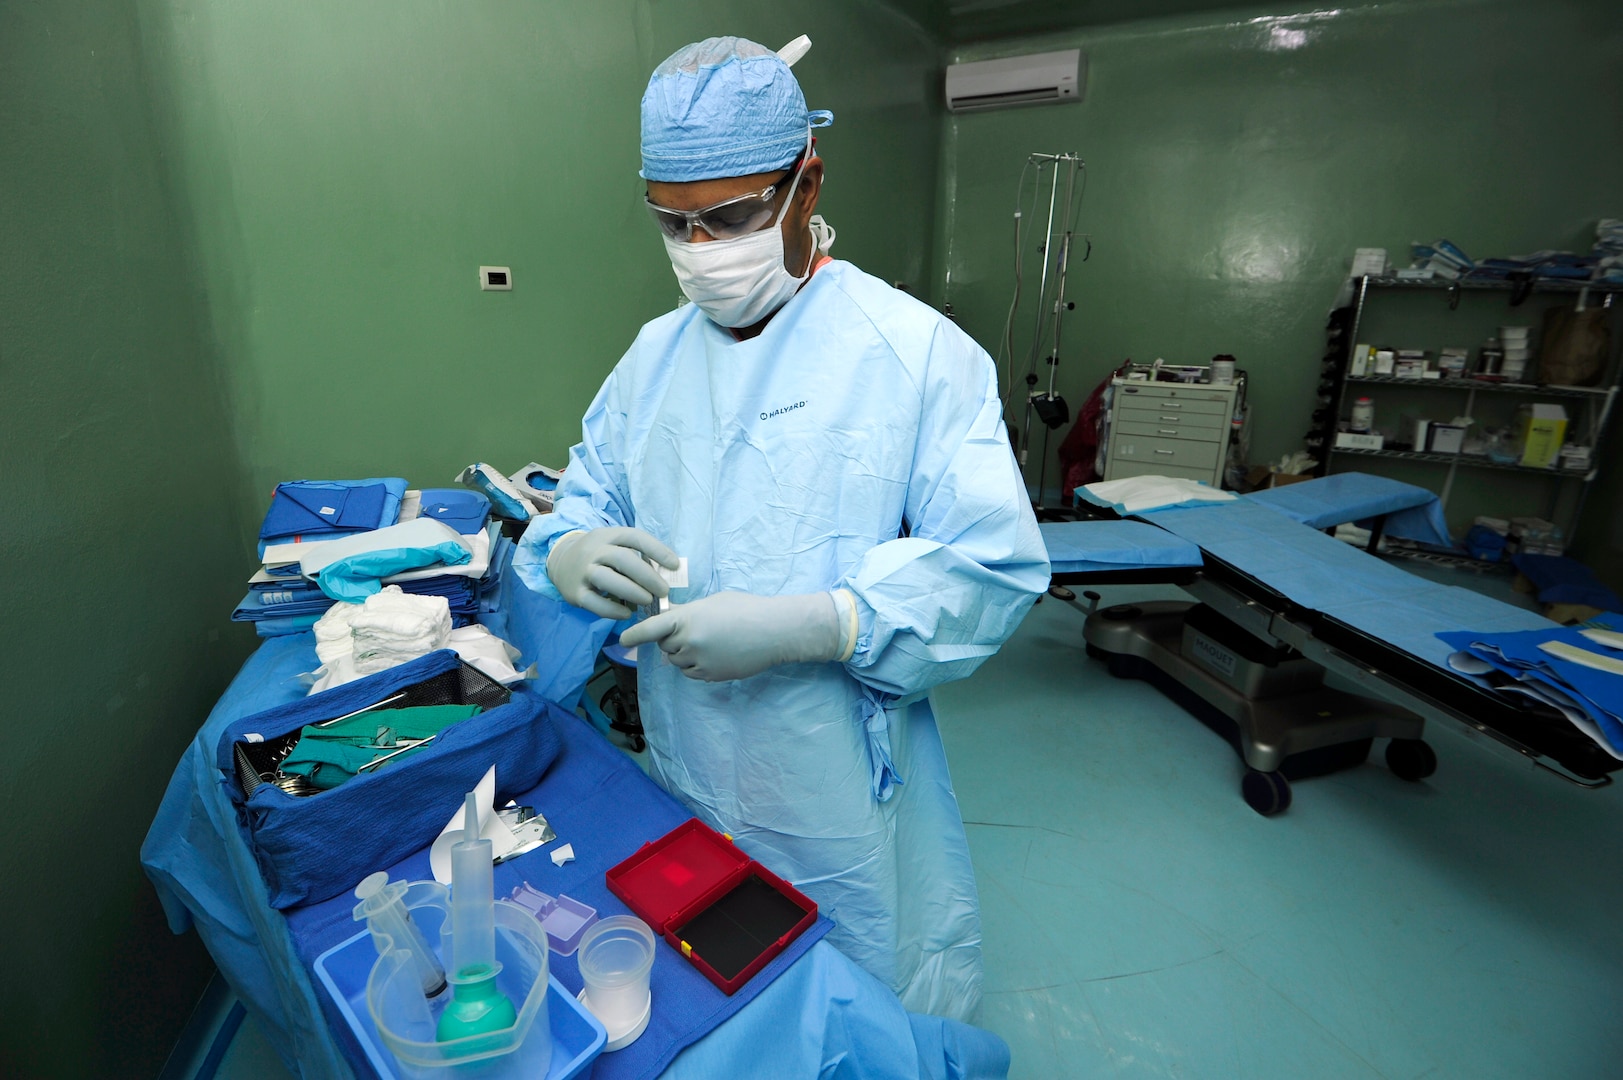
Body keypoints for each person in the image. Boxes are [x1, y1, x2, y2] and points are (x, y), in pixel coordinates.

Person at [514, 36, 1048, 1021]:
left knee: (855, 988)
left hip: (833, 778)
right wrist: (566, 548)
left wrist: (817, 624)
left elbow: (997, 566)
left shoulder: (911, 354)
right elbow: (585, 494)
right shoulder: (652, 360)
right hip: (683, 756)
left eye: (731, 215)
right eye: (674, 224)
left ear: (807, 183)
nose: (703, 251)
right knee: (715, 989)